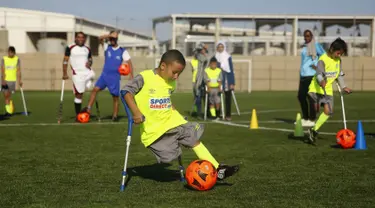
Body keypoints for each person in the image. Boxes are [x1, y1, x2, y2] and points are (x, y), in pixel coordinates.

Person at [122, 49, 239, 180]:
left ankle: (218, 169)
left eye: (179, 73)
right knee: (168, 157)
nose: (176, 77)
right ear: (162, 66)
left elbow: (165, 97)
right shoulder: (145, 77)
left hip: (171, 121)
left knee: (193, 138)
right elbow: (126, 91)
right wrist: (136, 112)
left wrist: (172, 108)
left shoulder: (171, 82)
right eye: (175, 72)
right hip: (154, 129)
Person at [308, 38, 352, 144]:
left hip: (327, 90)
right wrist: (321, 81)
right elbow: (319, 73)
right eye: (338, 53)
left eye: (341, 54)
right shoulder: (323, 59)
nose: (339, 55)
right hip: (316, 89)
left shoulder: (338, 60)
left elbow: (339, 75)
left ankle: (313, 130)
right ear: (332, 49)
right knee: (315, 109)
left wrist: (344, 86)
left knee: (328, 112)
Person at [84, 31, 134, 121]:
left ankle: (115, 116)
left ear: (117, 39)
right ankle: (88, 108)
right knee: (95, 90)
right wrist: (109, 35)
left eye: (114, 39)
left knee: (115, 97)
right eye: (111, 39)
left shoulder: (122, 51)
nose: (112, 40)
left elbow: (129, 63)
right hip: (104, 75)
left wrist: (131, 75)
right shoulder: (107, 47)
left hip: (115, 77)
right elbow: (99, 38)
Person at [62, 32, 94, 117]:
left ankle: (86, 108)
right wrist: (64, 73)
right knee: (79, 94)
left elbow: (90, 58)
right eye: (79, 37)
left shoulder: (87, 48)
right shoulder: (70, 47)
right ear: (75, 38)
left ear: (84, 39)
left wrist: (90, 62)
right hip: (77, 73)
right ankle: (78, 114)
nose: (80, 39)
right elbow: (65, 60)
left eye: (82, 37)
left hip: (88, 72)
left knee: (94, 88)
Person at [297, 30, 325, 127]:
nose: (306, 38)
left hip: (312, 75)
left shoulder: (316, 45)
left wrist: (318, 66)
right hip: (303, 75)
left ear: (312, 36)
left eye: (308, 36)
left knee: (310, 97)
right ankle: (305, 118)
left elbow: (323, 55)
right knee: (301, 96)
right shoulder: (304, 48)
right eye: (305, 36)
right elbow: (304, 62)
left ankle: (312, 119)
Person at [215, 41, 235, 121]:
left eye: (222, 47)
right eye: (219, 47)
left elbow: (231, 70)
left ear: (224, 47)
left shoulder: (228, 57)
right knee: (217, 98)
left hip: (227, 79)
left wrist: (232, 82)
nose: (220, 48)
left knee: (228, 98)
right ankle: (218, 114)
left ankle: (228, 115)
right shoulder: (215, 57)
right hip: (218, 80)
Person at [1, 46, 22, 116]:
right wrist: (3, 79)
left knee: (8, 96)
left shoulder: (17, 59)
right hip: (5, 80)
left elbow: (18, 71)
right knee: (6, 96)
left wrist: (20, 80)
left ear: (14, 53)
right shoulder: (4, 59)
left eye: (12, 53)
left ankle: (8, 111)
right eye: (9, 52)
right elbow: (2, 70)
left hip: (12, 80)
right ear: (8, 52)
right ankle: (9, 109)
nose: (10, 54)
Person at [191, 43, 210, 118]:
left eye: (204, 49)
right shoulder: (198, 56)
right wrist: (200, 47)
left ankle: (208, 112)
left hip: (205, 77)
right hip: (199, 78)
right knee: (198, 95)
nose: (204, 51)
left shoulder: (207, 56)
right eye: (202, 49)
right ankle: (198, 112)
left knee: (207, 96)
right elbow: (195, 52)